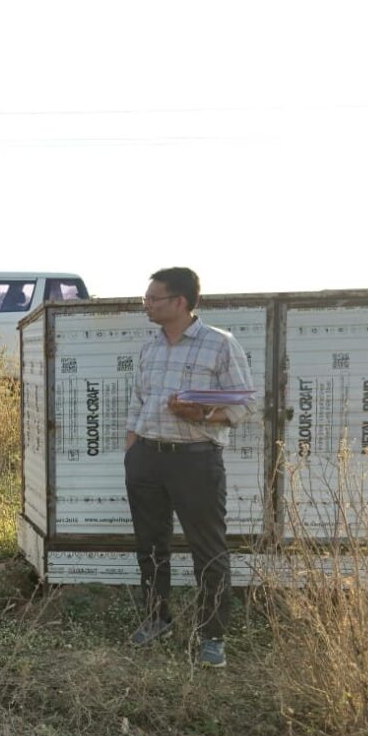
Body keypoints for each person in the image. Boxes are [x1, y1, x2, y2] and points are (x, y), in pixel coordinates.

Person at [124, 267, 254, 669]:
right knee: (150, 545)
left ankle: (212, 636)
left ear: (180, 302)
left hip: (195, 460)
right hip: (147, 457)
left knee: (208, 550)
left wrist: (202, 414)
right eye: (146, 299)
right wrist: (133, 450)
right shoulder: (149, 347)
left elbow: (244, 404)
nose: (146, 305)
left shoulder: (219, 344)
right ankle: (156, 618)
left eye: (153, 299)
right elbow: (137, 401)